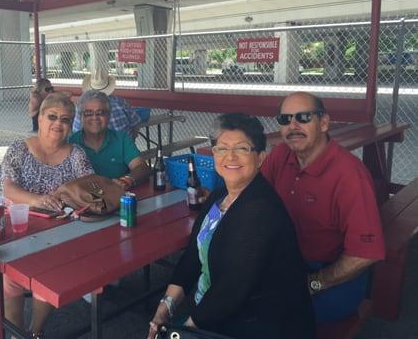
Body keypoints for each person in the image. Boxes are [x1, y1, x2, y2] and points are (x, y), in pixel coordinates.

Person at [148, 113, 315, 339]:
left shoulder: (260, 209)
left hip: (258, 323)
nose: (230, 156)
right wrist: (164, 308)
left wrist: (181, 332)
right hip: (216, 312)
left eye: (242, 148)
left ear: (261, 158)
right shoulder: (218, 196)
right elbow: (191, 258)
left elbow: (231, 289)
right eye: (221, 148)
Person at [261, 91, 385, 323]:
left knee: (274, 317)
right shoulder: (281, 154)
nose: (293, 125)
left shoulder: (350, 175)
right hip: (287, 262)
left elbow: (364, 254)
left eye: (304, 117)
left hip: (332, 274)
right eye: (285, 119)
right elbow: (256, 199)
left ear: (324, 123)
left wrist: (314, 282)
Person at [0, 92, 94, 338]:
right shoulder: (19, 150)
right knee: (12, 278)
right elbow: (7, 188)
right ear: (39, 118)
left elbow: (88, 185)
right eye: (52, 116)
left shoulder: (76, 153)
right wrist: (38, 200)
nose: (58, 124)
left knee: (50, 275)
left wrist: (66, 193)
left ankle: (35, 331)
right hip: (21, 228)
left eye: (65, 119)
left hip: (61, 232)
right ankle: (16, 332)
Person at [69, 90, 150, 191]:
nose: (95, 117)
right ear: (81, 117)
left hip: (118, 196)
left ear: (109, 115)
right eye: (88, 113)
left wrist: (127, 180)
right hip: (84, 200)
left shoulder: (121, 138)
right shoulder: (71, 142)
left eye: (100, 113)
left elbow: (141, 167)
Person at [72, 70, 141, 138]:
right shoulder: (120, 102)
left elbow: (76, 130)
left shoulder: (81, 105)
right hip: (124, 145)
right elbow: (136, 122)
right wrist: (132, 140)